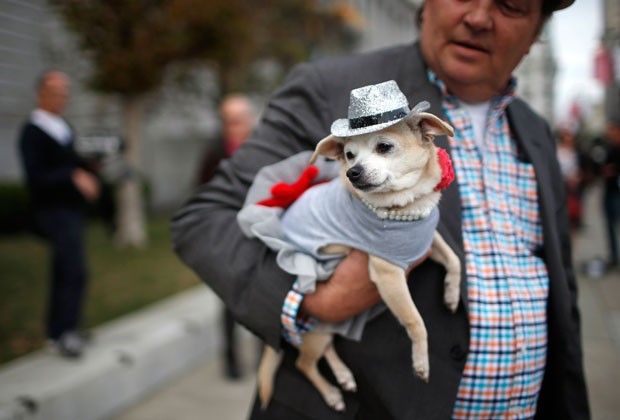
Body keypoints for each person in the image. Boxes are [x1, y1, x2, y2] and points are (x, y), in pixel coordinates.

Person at [172, 0, 591, 418]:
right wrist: (313, 300)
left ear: (538, 29)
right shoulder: (328, 85)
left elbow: (561, 293)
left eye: (512, 4)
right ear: (425, 4)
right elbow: (205, 217)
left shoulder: (535, 130)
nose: (479, 17)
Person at [18, 70, 100, 358]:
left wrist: (91, 170)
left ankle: (63, 329)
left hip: (72, 209)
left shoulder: (62, 126)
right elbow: (36, 176)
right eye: (56, 91)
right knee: (72, 270)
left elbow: (75, 162)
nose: (62, 97)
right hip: (53, 211)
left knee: (68, 271)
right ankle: (62, 332)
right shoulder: (33, 130)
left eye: (65, 92)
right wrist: (72, 176)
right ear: (42, 92)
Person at [195, 94, 257, 379]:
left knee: (262, 296)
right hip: (227, 237)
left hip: (260, 235)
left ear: (249, 120)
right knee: (230, 302)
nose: (233, 126)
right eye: (228, 121)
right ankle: (231, 361)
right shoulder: (214, 152)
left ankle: (262, 357)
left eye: (238, 120)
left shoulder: (262, 147)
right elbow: (200, 194)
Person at [556, 127, 585, 237]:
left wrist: (577, 177)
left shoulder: (575, 152)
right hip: (561, 188)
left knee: (573, 218)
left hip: (573, 190)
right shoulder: (558, 151)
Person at [602, 121, 620, 268]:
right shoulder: (608, 149)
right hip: (609, 191)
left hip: (617, 193)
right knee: (610, 227)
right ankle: (614, 256)